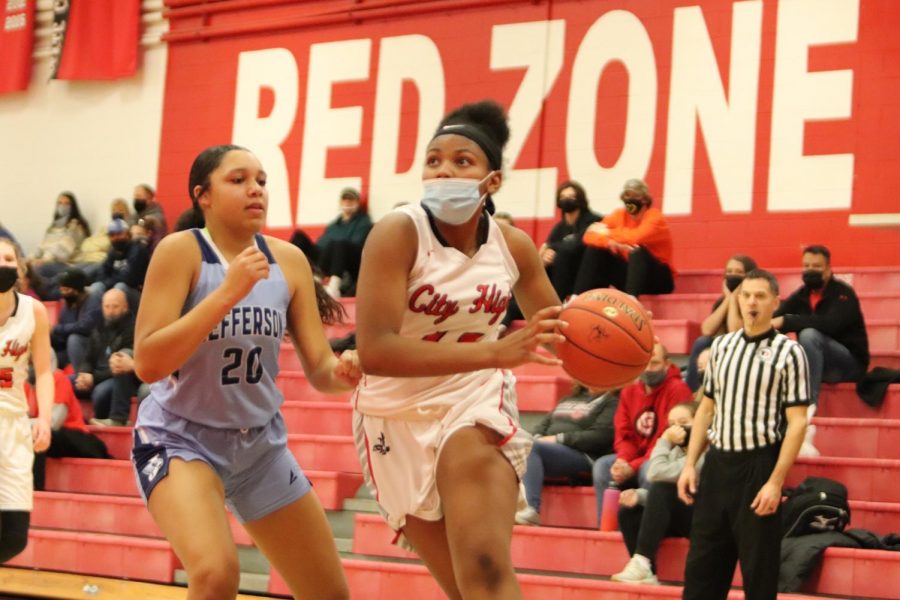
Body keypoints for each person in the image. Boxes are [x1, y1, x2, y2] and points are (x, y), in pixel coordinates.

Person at [353, 100, 566, 600]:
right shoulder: (397, 232)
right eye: (433, 160)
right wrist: (494, 352)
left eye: (461, 160)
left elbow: (560, 332)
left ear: (492, 181)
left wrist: (609, 332)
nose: (443, 169)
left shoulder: (512, 245)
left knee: (488, 570)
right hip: (393, 412)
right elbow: (377, 352)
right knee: (464, 587)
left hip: (475, 401)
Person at [131, 144, 359, 599]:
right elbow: (148, 361)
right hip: (181, 439)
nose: (255, 189)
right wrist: (227, 293)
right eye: (238, 180)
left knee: (330, 593)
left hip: (260, 446)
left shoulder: (288, 260)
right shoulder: (182, 252)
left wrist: (346, 370)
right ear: (204, 196)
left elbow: (320, 369)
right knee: (216, 575)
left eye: (261, 180)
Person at [678, 269, 809, 600]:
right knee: (702, 570)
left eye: (761, 296)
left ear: (775, 302)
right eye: (746, 295)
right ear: (737, 299)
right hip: (718, 466)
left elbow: (797, 422)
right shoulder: (721, 346)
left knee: (758, 573)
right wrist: (690, 463)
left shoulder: (790, 352)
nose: (752, 302)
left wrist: (776, 481)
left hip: (758, 466)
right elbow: (706, 410)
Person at [772, 245, 868, 456]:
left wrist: (787, 320)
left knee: (809, 335)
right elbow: (775, 321)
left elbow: (830, 325)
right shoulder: (801, 295)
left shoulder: (844, 294)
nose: (810, 270)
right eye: (806, 266)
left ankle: (808, 409)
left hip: (849, 365)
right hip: (820, 365)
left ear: (828, 269)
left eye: (816, 266)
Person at [593, 342, 692, 521]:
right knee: (603, 466)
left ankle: (647, 528)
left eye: (654, 363)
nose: (648, 369)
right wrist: (623, 460)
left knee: (651, 469)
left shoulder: (678, 390)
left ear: (667, 364)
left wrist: (633, 467)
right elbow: (624, 434)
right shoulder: (629, 390)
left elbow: (667, 440)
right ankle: (607, 530)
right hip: (634, 459)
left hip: (665, 457)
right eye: (644, 364)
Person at [0, 236, 52, 562]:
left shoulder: (34, 311)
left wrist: (44, 418)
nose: (2, 265)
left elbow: (44, 372)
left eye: (8, 259)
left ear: (19, 266)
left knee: (14, 538)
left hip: (14, 427)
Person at [612, 401, 703, 585]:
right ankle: (647, 571)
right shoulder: (675, 451)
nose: (677, 428)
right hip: (682, 511)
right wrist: (639, 495)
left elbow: (655, 473)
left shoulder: (707, 451)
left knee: (663, 487)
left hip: (705, 517)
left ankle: (641, 560)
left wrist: (664, 440)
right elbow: (658, 478)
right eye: (671, 425)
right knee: (629, 512)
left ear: (700, 422)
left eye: (683, 422)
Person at [515, 384, 618, 526]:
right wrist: (537, 437)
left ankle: (531, 508)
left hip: (584, 455)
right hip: (550, 450)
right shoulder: (568, 399)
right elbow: (542, 426)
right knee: (516, 445)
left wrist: (559, 439)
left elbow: (599, 437)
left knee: (532, 447)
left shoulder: (611, 401)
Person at [574, 179, 674, 297]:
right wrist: (610, 243)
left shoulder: (655, 217)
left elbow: (635, 238)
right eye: (627, 195)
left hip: (658, 279)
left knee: (637, 250)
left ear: (645, 199)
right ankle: (577, 297)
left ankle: (631, 301)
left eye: (636, 195)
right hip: (631, 276)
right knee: (595, 249)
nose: (631, 199)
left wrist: (607, 232)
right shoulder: (618, 215)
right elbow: (588, 236)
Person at [28, 360, 110, 491]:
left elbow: (53, 422)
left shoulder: (57, 378)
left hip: (74, 436)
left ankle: (36, 490)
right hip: (51, 437)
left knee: (38, 432)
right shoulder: (22, 384)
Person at [685, 255, 758, 391]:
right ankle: (691, 393)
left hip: (747, 348)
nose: (732, 275)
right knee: (702, 342)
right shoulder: (722, 301)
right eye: (729, 272)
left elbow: (736, 332)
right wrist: (729, 298)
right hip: (723, 346)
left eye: (738, 272)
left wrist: (734, 299)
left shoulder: (753, 302)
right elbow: (706, 330)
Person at [72, 289, 139, 427]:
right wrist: (84, 373)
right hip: (96, 375)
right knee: (65, 383)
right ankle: (70, 423)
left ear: (125, 307)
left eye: (115, 306)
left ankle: (111, 421)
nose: (110, 311)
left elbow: (120, 365)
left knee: (100, 393)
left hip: (117, 379)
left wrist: (94, 378)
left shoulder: (132, 328)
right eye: (106, 306)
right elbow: (88, 357)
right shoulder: (100, 325)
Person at [541, 181, 602, 300]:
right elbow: (550, 248)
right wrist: (545, 255)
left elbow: (577, 245)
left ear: (580, 199)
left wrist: (550, 246)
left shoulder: (594, 220)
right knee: (546, 259)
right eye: (563, 197)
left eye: (570, 197)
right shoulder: (559, 228)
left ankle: (558, 301)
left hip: (588, 276)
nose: (566, 200)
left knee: (562, 254)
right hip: (565, 275)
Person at [28, 192, 92, 293]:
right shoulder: (52, 227)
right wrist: (30, 260)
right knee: (27, 269)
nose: (63, 206)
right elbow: (41, 247)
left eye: (66, 204)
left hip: (67, 264)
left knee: (40, 270)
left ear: (73, 207)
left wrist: (44, 260)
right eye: (60, 203)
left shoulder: (75, 226)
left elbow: (63, 251)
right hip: (50, 262)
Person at [317, 187, 373, 298]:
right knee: (300, 238)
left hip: (352, 263)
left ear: (357, 203)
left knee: (340, 244)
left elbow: (355, 243)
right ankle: (312, 282)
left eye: (351, 200)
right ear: (340, 202)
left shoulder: (364, 222)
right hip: (329, 258)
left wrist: (332, 244)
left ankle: (334, 287)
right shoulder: (333, 225)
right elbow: (321, 245)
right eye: (345, 199)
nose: (347, 202)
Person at [90, 218, 150, 310]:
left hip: (138, 294)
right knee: (96, 287)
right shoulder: (112, 252)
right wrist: (107, 283)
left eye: (119, 234)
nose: (116, 238)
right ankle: (98, 320)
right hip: (114, 286)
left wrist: (108, 283)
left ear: (128, 234)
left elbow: (129, 278)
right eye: (112, 235)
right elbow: (102, 272)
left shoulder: (138, 250)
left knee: (120, 287)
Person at [50, 268, 102, 370]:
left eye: (67, 290)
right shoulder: (68, 304)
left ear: (77, 290)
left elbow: (85, 327)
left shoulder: (93, 299)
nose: (63, 293)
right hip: (68, 349)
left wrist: (55, 328)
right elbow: (62, 337)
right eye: (61, 289)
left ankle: (82, 375)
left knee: (74, 339)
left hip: (92, 347)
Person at [132, 183, 169, 252]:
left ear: (149, 198)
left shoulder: (157, 215)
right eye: (135, 196)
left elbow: (152, 221)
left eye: (139, 196)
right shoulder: (134, 215)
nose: (136, 199)